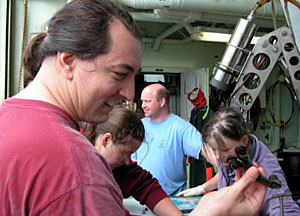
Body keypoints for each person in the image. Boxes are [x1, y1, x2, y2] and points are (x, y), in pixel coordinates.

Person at [0, 0, 267, 215]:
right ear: (68, 61)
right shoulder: (74, 167)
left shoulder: (8, 116)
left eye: (133, 76)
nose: (129, 93)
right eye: (119, 74)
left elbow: (136, 178)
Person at [178, 107, 300, 215]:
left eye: (224, 150)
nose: (218, 157)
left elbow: (286, 209)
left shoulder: (267, 170)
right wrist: (202, 188)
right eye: (214, 150)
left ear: (244, 141)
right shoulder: (231, 156)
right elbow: (223, 174)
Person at [83, 108, 183, 216]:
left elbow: (144, 185)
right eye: (125, 153)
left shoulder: (119, 168)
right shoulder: (81, 172)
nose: (127, 161)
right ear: (106, 140)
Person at [132, 83, 209, 196]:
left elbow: (212, 155)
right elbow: (131, 159)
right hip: (140, 198)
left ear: (162, 102)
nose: (143, 105)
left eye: (147, 101)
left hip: (171, 200)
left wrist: (204, 187)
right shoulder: (140, 125)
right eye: (142, 101)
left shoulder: (181, 128)